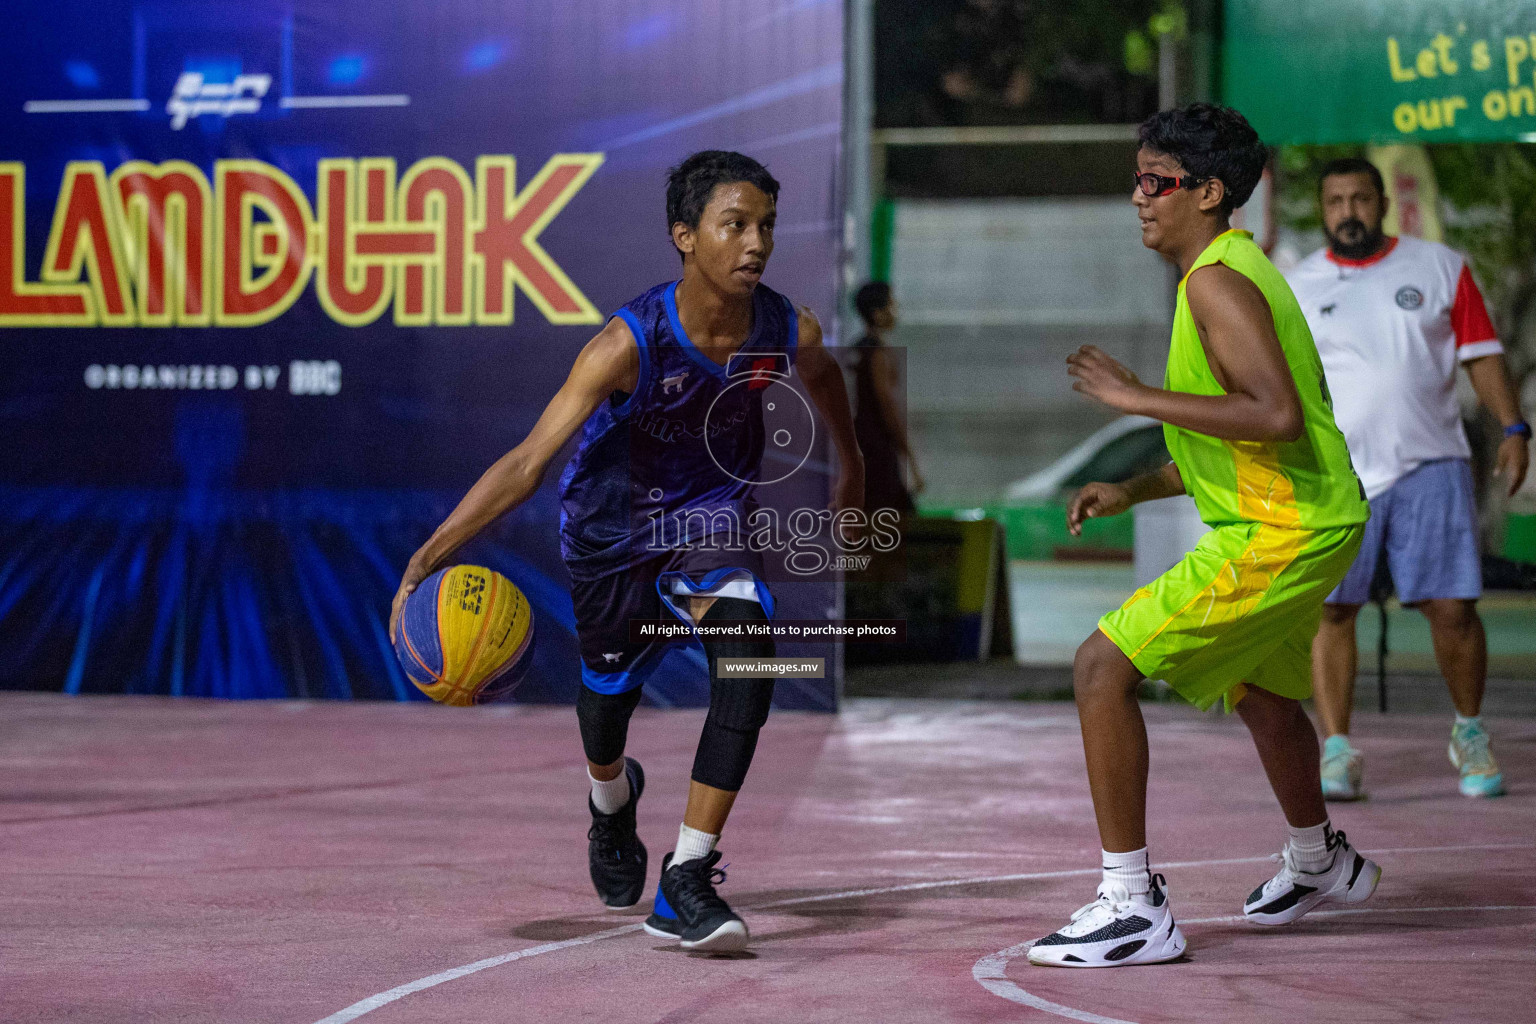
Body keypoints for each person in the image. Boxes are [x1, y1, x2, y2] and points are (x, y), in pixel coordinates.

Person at [389, 151, 863, 952]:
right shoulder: (627, 342)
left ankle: (686, 877)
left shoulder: (788, 327)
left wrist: (850, 464)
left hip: (710, 524)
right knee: (606, 705)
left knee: (750, 657)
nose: (757, 243)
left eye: (767, 226)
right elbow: (527, 463)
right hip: (612, 534)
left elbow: (826, 384)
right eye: (735, 225)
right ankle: (611, 805)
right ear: (685, 236)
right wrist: (429, 554)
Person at [1025, 104, 1379, 969]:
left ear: (1209, 192)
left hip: (1282, 529)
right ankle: (1318, 859)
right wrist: (1136, 486)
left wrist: (1136, 397)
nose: (1139, 197)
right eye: (1137, 180)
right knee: (1259, 692)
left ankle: (1131, 905)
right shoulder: (1226, 273)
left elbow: (1274, 412)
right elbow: (1240, 434)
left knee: (1100, 668)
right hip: (1306, 517)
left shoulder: (1217, 281)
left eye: (1158, 182)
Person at [1286, 157, 1529, 801]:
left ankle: (1470, 734)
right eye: (1335, 202)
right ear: (1322, 210)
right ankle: (1336, 749)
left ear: (1383, 203)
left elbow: (1481, 354)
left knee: (1452, 610)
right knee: (1333, 609)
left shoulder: (1440, 267)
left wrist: (1513, 428)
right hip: (1337, 476)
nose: (1348, 212)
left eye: (1360, 199)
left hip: (1431, 463)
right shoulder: (1296, 284)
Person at [850, 281, 922, 513]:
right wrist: (910, 457)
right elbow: (887, 406)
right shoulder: (879, 354)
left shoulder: (856, 350)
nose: (896, 310)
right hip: (878, 450)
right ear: (877, 314)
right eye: (891, 305)